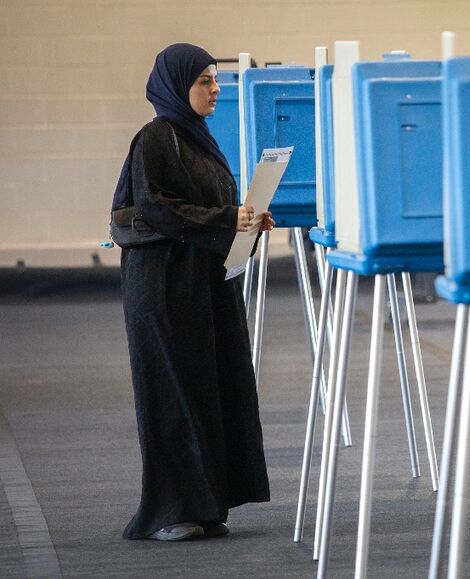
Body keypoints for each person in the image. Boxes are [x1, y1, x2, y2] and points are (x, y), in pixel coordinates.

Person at [117, 43, 273, 541]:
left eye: (214, 79)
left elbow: (208, 207)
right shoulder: (157, 137)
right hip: (164, 287)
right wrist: (228, 219)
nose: (215, 89)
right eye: (204, 80)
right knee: (174, 391)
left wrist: (246, 223)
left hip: (199, 284)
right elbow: (160, 209)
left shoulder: (199, 139)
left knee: (210, 386)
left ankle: (206, 503)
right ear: (176, 86)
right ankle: (169, 511)